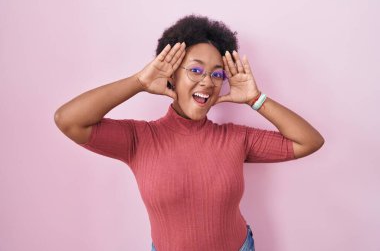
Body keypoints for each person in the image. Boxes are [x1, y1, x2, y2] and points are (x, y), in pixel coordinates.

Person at [54, 14, 324, 251]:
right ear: (171, 74)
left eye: (217, 75)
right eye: (195, 70)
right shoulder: (138, 139)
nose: (207, 81)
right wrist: (139, 82)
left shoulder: (236, 138)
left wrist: (255, 98)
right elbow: (68, 120)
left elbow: (309, 141)